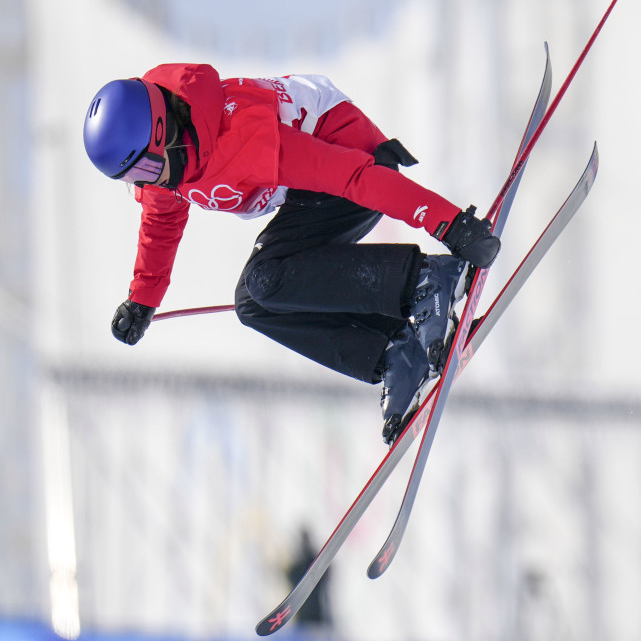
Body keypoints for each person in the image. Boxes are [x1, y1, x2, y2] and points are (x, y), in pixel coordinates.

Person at [83, 65, 499, 444]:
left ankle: (426, 280)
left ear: (165, 132)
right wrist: (142, 299)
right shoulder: (163, 173)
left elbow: (352, 176)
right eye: (132, 179)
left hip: (353, 158)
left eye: (145, 170)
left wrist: (448, 223)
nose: (148, 184)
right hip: (308, 193)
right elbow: (161, 222)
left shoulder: (240, 137)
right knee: (252, 303)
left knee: (267, 277)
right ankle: (396, 351)